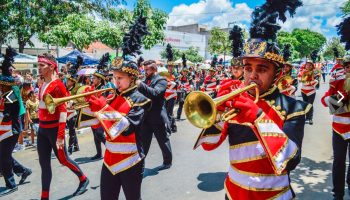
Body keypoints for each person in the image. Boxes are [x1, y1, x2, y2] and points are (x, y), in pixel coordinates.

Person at [192, 2, 308, 199]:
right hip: (233, 192)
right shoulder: (236, 101)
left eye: (261, 69)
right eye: (247, 68)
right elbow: (208, 144)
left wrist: (257, 117)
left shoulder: (293, 108)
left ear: (277, 74)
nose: (252, 76)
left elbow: (291, 162)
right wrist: (219, 111)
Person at [37, 53, 89, 199]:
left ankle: (83, 179)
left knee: (63, 159)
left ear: (52, 66)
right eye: (38, 65)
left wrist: (60, 135)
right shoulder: (42, 84)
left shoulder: (58, 84)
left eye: (42, 65)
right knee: (44, 164)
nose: (38, 68)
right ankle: (44, 196)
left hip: (53, 129)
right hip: (42, 129)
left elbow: (63, 111)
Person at [0, 47, 32, 197]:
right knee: (3, 155)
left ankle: (11, 184)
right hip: (6, 127)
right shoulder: (7, 89)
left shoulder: (11, 90)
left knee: (3, 156)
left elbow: (9, 112)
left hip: (12, 127)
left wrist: (3, 115)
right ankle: (23, 171)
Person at [321, 55, 350, 200]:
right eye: (348, 66)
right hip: (339, 128)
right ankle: (338, 194)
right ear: (345, 68)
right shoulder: (338, 81)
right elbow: (325, 101)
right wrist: (341, 96)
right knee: (339, 161)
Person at [137, 60, 173, 170]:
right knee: (143, 142)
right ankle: (140, 164)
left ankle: (167, 162)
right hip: (145, 116)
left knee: (163, 141)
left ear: (154, 69)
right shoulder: (145, 80)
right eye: (144, 69)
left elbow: (155, 93)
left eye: (147, 69)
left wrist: (140, 85)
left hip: (157, 116)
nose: (145, 71)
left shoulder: (161, 80)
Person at [88, 54, 109, 160]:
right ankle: (99, 153)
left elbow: (102, 102)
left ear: (100, 80)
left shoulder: (103, 88)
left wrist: (90, 98)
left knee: (100, 134)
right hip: (93, 114)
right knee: (95, 135)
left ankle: (110, 150)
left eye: (94, 78)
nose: (92, 79)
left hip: (101, 115)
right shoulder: (92, 87)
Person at [164, 44, 178, 133]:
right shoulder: (164, 75)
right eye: (169, 66)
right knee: (167, 113)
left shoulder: (176, 75)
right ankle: (173, 126)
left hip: (172, 96)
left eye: (172, 66)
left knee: (168, 113)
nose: (170, 67)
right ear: (167, 67)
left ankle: (168, 130)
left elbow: (178, 85)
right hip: (165, 96)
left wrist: (173, 83)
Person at [301, 58, 318, 125]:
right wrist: (309, 82)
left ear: (312, 66)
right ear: (305, 65)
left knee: (310, 105)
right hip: (303, 91)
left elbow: (316, 82)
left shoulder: (315, 72)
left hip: (311, 92)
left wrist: (308, 83)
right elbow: (300, 79)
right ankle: (306, 118)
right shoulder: (302, 72)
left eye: (310, 65)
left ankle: (310, 118)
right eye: (307, 65)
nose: (308, 66)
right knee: (305, 105)